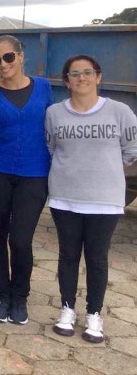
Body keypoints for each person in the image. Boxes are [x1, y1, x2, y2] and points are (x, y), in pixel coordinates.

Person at [46, 54, 137, 343]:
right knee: (68, 256)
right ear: (66, 82)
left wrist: (103, 170)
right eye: (75, 74)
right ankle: (67, 309)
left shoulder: (119, 111)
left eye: (87, 73)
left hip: (105, 199)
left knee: (97, 258)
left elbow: (131, 150)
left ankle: (94, 314)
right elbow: (51, 148)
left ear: (98, 77)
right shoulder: (54, 113)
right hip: (65, 197)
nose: (81, 78)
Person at [0, 35, 53, 325]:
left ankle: (20, 295)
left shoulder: (45, 88)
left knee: (21, 239)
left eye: (8, 57)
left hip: (35, 173)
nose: (3, 64)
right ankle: (1, 295)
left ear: (21, 56)